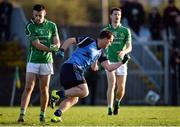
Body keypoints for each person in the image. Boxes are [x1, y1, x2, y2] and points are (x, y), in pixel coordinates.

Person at [49, 30, 130, 122]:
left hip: (72, 70)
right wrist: (62, 50)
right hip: (72, 67)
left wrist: (122, 62)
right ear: (104, 39)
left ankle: (57, 115)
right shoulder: (89, 40)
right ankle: (57, 94)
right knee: (84, 91)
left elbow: (109, 67)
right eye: (110, 41)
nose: (110, 44)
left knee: (74, 99)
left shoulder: (101, 53)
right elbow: (71, 40)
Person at [17, 4, 61, 122]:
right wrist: (53, 49)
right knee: (28, 87)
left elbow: (57, 42)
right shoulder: (30, 26)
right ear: (33, 14)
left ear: (44, 14)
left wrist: (56, 46)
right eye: (36, 15)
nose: (37, 18)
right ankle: (22, 114)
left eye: (40, 15)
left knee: (44, 89)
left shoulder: (52, 25)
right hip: (33, 61)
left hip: (47, 61)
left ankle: (42, 114)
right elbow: (37, 45)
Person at [103, 7, 132, 115]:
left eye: (119, 15)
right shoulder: (105, 31)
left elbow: (129, 47)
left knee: (121, 88)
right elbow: (100, 47)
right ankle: (109, 108)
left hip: (122, 63)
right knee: (112, 84)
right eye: (115, 14)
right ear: (111, 16)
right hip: (109, 61)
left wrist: (124, 52)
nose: (117, 16)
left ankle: (117, 102)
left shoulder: (125, 30)